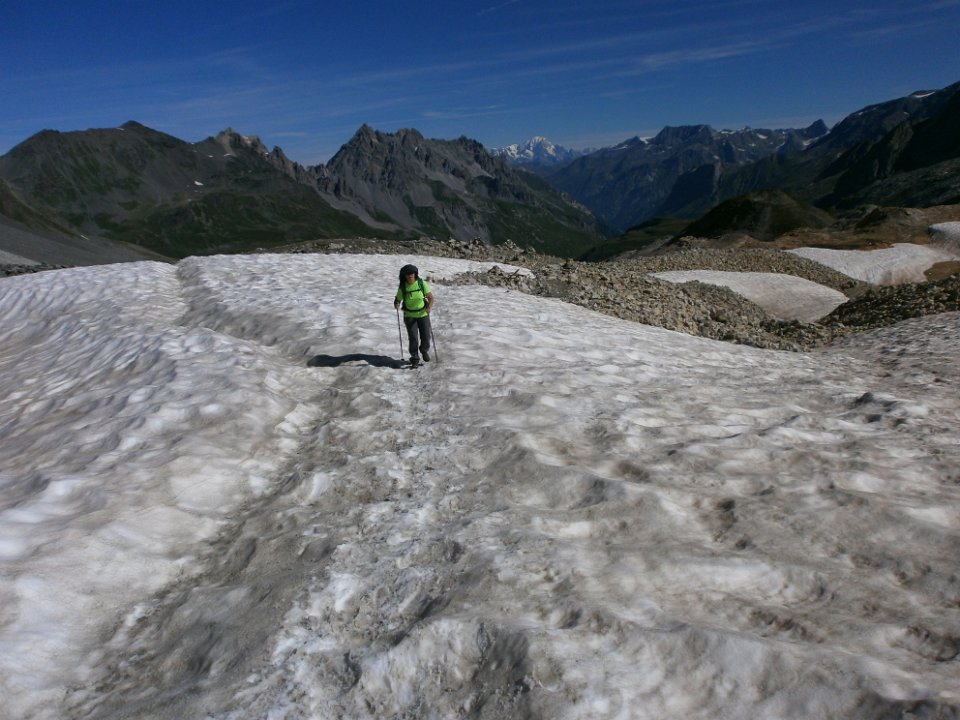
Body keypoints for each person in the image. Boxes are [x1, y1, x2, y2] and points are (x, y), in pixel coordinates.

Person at [394, 264, 434, 367]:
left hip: (423, 314)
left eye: (411, 274)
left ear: (415, 274)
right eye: (407, 274)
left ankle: (424, 350)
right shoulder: (403, 287)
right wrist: (396, 303)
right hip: (409, 316)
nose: (410, 276)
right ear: (404, 276)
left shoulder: (421, 283)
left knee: (426, 336)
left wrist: (429, 307)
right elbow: (398, 299)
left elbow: (430, 298)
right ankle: (415, 358)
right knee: (413, 338)